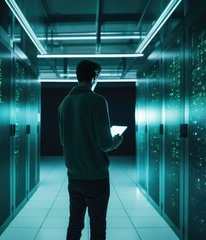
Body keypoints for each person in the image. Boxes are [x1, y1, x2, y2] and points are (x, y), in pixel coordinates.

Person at [58, 60, 123, 240]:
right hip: (96, 177)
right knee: (97, 225)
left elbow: (64, 141)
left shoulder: (64, 103)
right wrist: (116, 140)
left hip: (74, 177)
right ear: (94, 76)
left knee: (75, 223)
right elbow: (104, 144)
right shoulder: (98, 101)